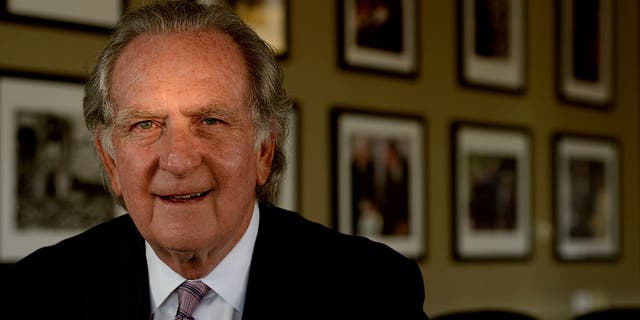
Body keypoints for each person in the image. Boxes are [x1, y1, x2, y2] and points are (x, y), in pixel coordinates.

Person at [7, 1, 428, 319]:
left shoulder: (373, 292)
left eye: (210, 120)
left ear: (264, 150)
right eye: (145, 125)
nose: (177, 159)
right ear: (111, 161)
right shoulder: (37, 293)